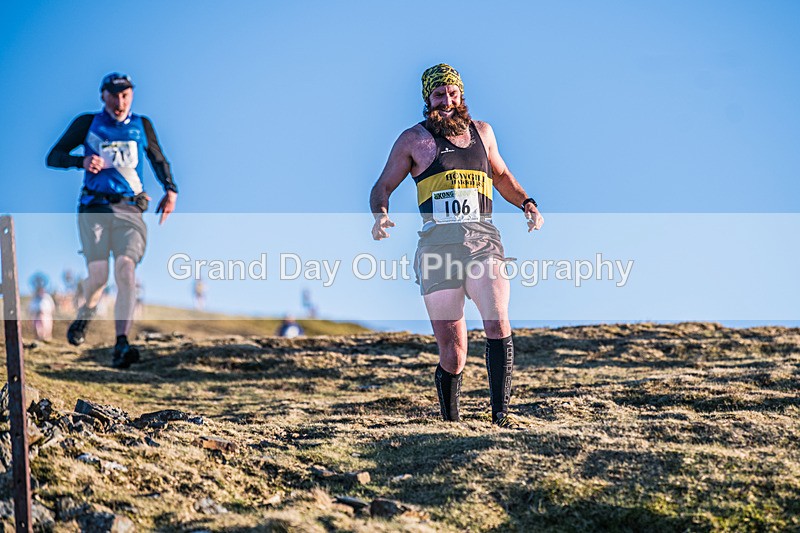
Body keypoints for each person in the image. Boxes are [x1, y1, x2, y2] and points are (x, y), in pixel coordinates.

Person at [369, 64, 544, 427]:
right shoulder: (412, 141)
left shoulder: (483, 133)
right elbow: (382, 186)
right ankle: (451, 425)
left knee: (497, 323)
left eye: (452, 93)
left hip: (483, 243)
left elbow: (502, 177)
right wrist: (380, 215)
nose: (446, 101)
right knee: (454, 353)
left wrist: (527, 202)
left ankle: (500, 417)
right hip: (438, 250)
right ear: (427, 100)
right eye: (438, 95)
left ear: (461, 95)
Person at [46, 73, 179, 368]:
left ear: (132, 95)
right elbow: (53, 156)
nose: (120, 102)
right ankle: (87, 312)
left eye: (126, 95)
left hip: (130, 210)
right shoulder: (87, 123)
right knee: (98, 277)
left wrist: (171, 189)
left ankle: (122, 342)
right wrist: (79, 161)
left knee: (126, 270)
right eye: (115, 95)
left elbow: (158, 158)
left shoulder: (141, 125)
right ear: (103, 96)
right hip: (93, 208)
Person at [28, 274, 55, 341]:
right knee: (38, 331)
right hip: (37, 317)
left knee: (47, 330)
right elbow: (31, 309)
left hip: (46, 316)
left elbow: (52, 308)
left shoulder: (47, 297)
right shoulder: (34, 299)